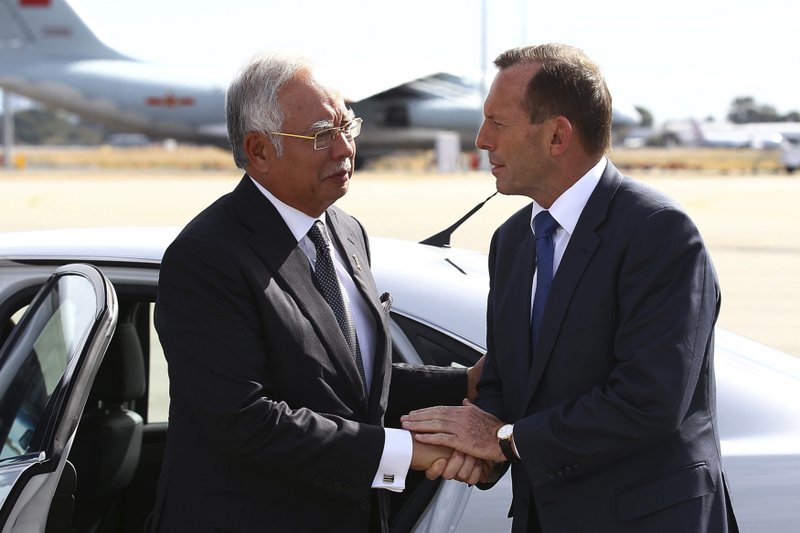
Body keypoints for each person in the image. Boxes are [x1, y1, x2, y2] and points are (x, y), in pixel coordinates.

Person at [402, 44, 739, 532]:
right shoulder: (512, 241)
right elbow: (505, 382)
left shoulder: (657, 232)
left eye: (498, 123)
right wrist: (470, 445)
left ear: (558, 135)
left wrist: (502, 440)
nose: (480, 140)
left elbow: (648, 400)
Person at [150, 53, 482, 533]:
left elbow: (344, 379)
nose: (345, 149)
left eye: (348, 126)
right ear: (259, 150)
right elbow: (245, 420)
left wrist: (462, 384)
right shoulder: (207, 256)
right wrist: (408, 452)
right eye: (321, 135)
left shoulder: (346, 232)